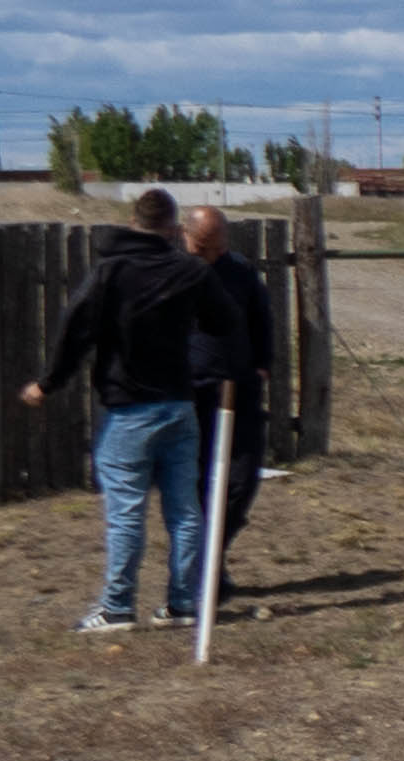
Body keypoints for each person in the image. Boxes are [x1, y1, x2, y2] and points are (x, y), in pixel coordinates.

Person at [17, 185, 208, 635]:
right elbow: (224, 319)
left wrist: (48, 383)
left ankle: (118, 607)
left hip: (129, 410)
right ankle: (183, 603)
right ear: (174, 229)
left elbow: (76, 329)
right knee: (184, 510)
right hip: (179, 405)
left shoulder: (110, 271)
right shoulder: (190, 271)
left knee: (126, 511)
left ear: (131, 223)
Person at [170, 201, 286, 595]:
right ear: (186, 235)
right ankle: (202, 574)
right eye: (204, 247)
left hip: (240, 387)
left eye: (218, 247)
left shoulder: (239, 271)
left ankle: (210, 556)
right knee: (199, 483)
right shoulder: (171, 271)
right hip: (191, 391)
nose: (212, 256)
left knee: (242, 479)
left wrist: (263, 363)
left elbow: (261, 318)